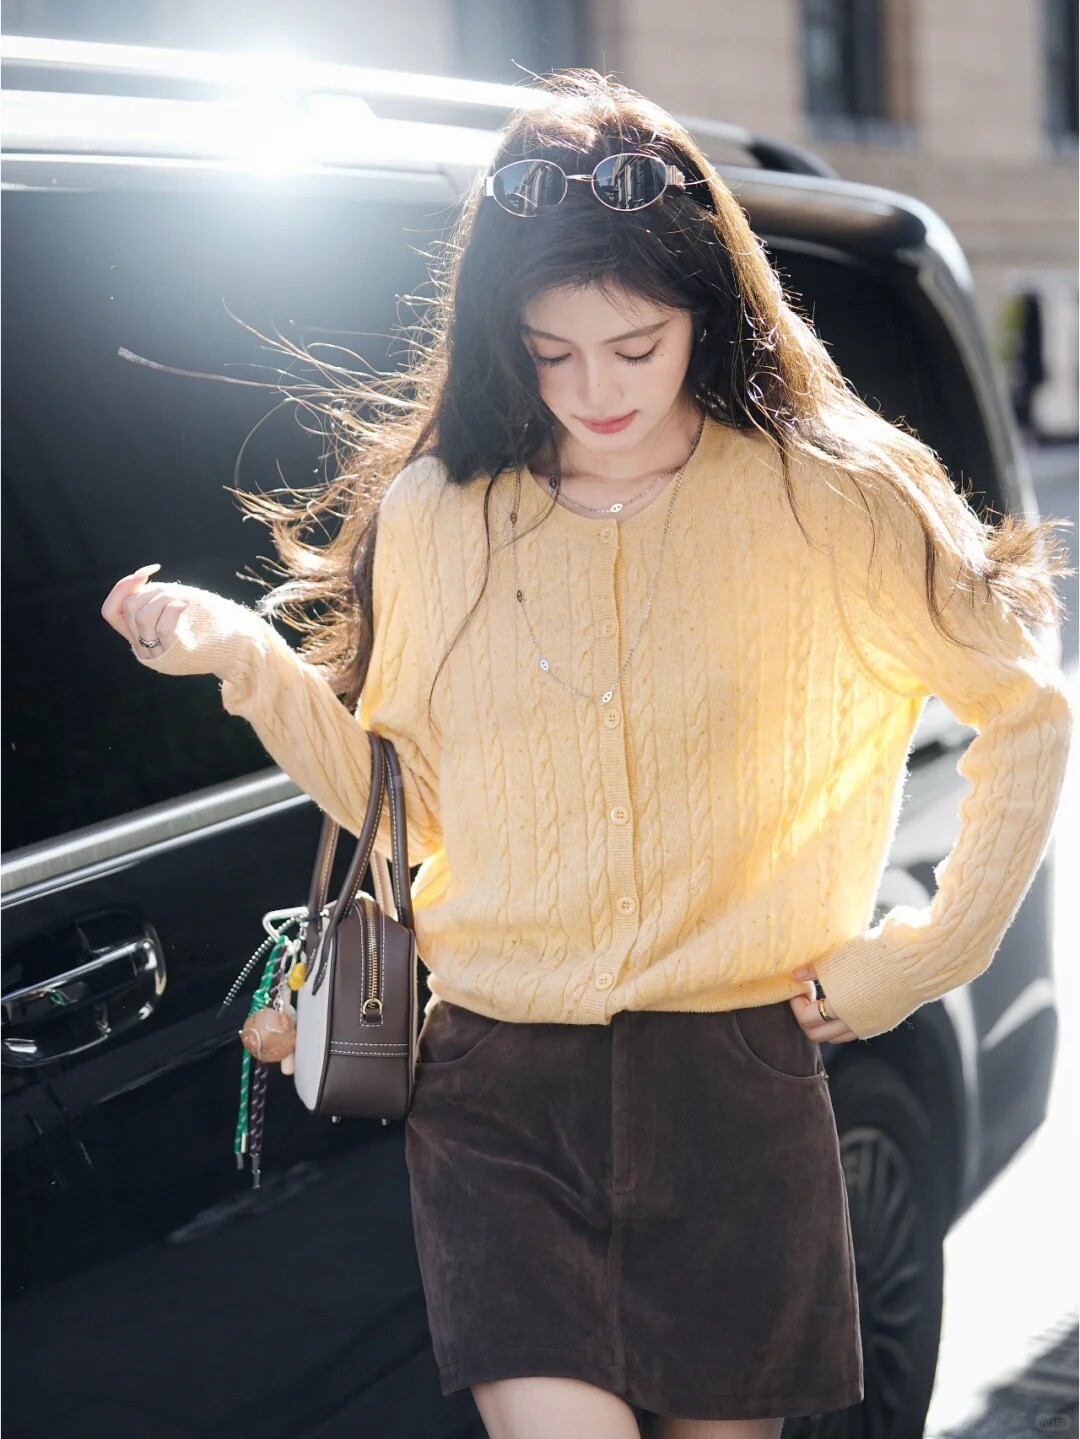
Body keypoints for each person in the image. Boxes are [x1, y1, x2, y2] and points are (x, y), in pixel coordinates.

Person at [100, 70, 1074, 1439]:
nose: (595, 389)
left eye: (636, 344)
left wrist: (922, 956)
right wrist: (243, 663)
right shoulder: (444, 511)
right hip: (496, 1090)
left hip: (735, 1088)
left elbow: (1030, 710)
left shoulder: (833, 495)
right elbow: (414, 807)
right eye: (550, 354)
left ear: (708, 308)